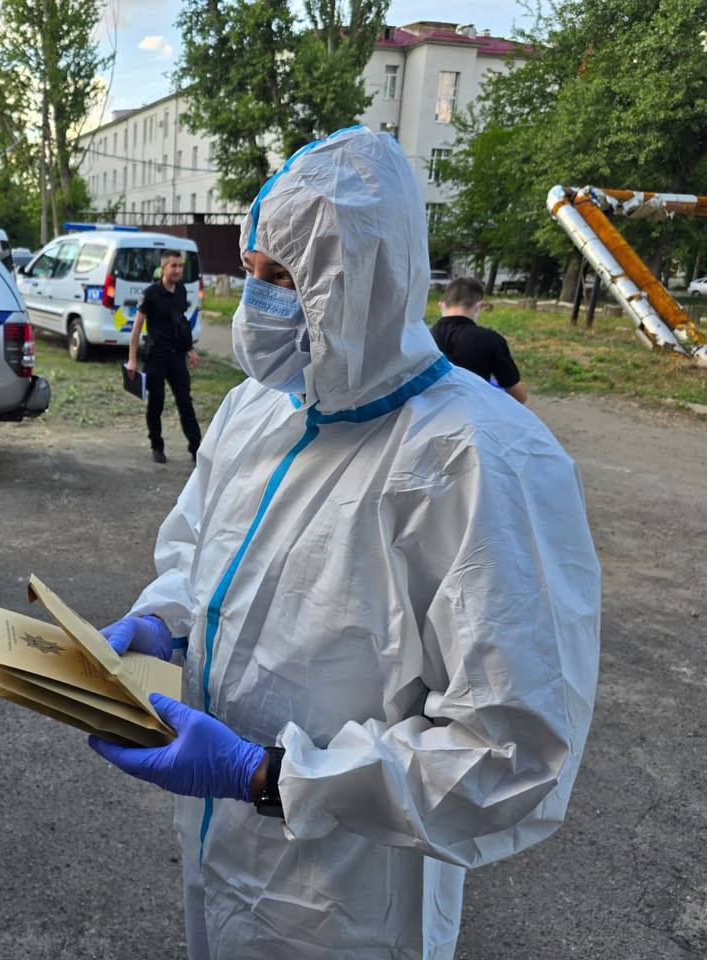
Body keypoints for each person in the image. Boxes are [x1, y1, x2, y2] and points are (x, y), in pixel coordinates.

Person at [89, 127, 600, 959]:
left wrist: (267, 776)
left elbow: (514, 751)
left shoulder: (479, 458)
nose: (257, 302)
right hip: (221, 856)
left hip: (351, 905)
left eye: (285, 278)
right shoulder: (256, 409)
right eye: (252, 269)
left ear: (368, 277)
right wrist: (160, 621)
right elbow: (200, 550)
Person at [126, 249, 202, 463]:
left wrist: (189, 348)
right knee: (156, 403)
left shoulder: (181, 291)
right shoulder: (150, 293)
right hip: (156, 357)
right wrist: (132, 359)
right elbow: (136, 327)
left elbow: (181, 322)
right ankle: (156, 445)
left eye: (180, 266)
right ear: (164, 268)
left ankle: (197, 448)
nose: (178, 270)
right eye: (174, 266)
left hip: (176, 357)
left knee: (185, 402)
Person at [431, 275, 529, 403]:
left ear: (441, 305)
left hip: (427, 417)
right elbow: (519, 396)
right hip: (473, 417)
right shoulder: (491, 339)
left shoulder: (424, 337)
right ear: (479, 305)